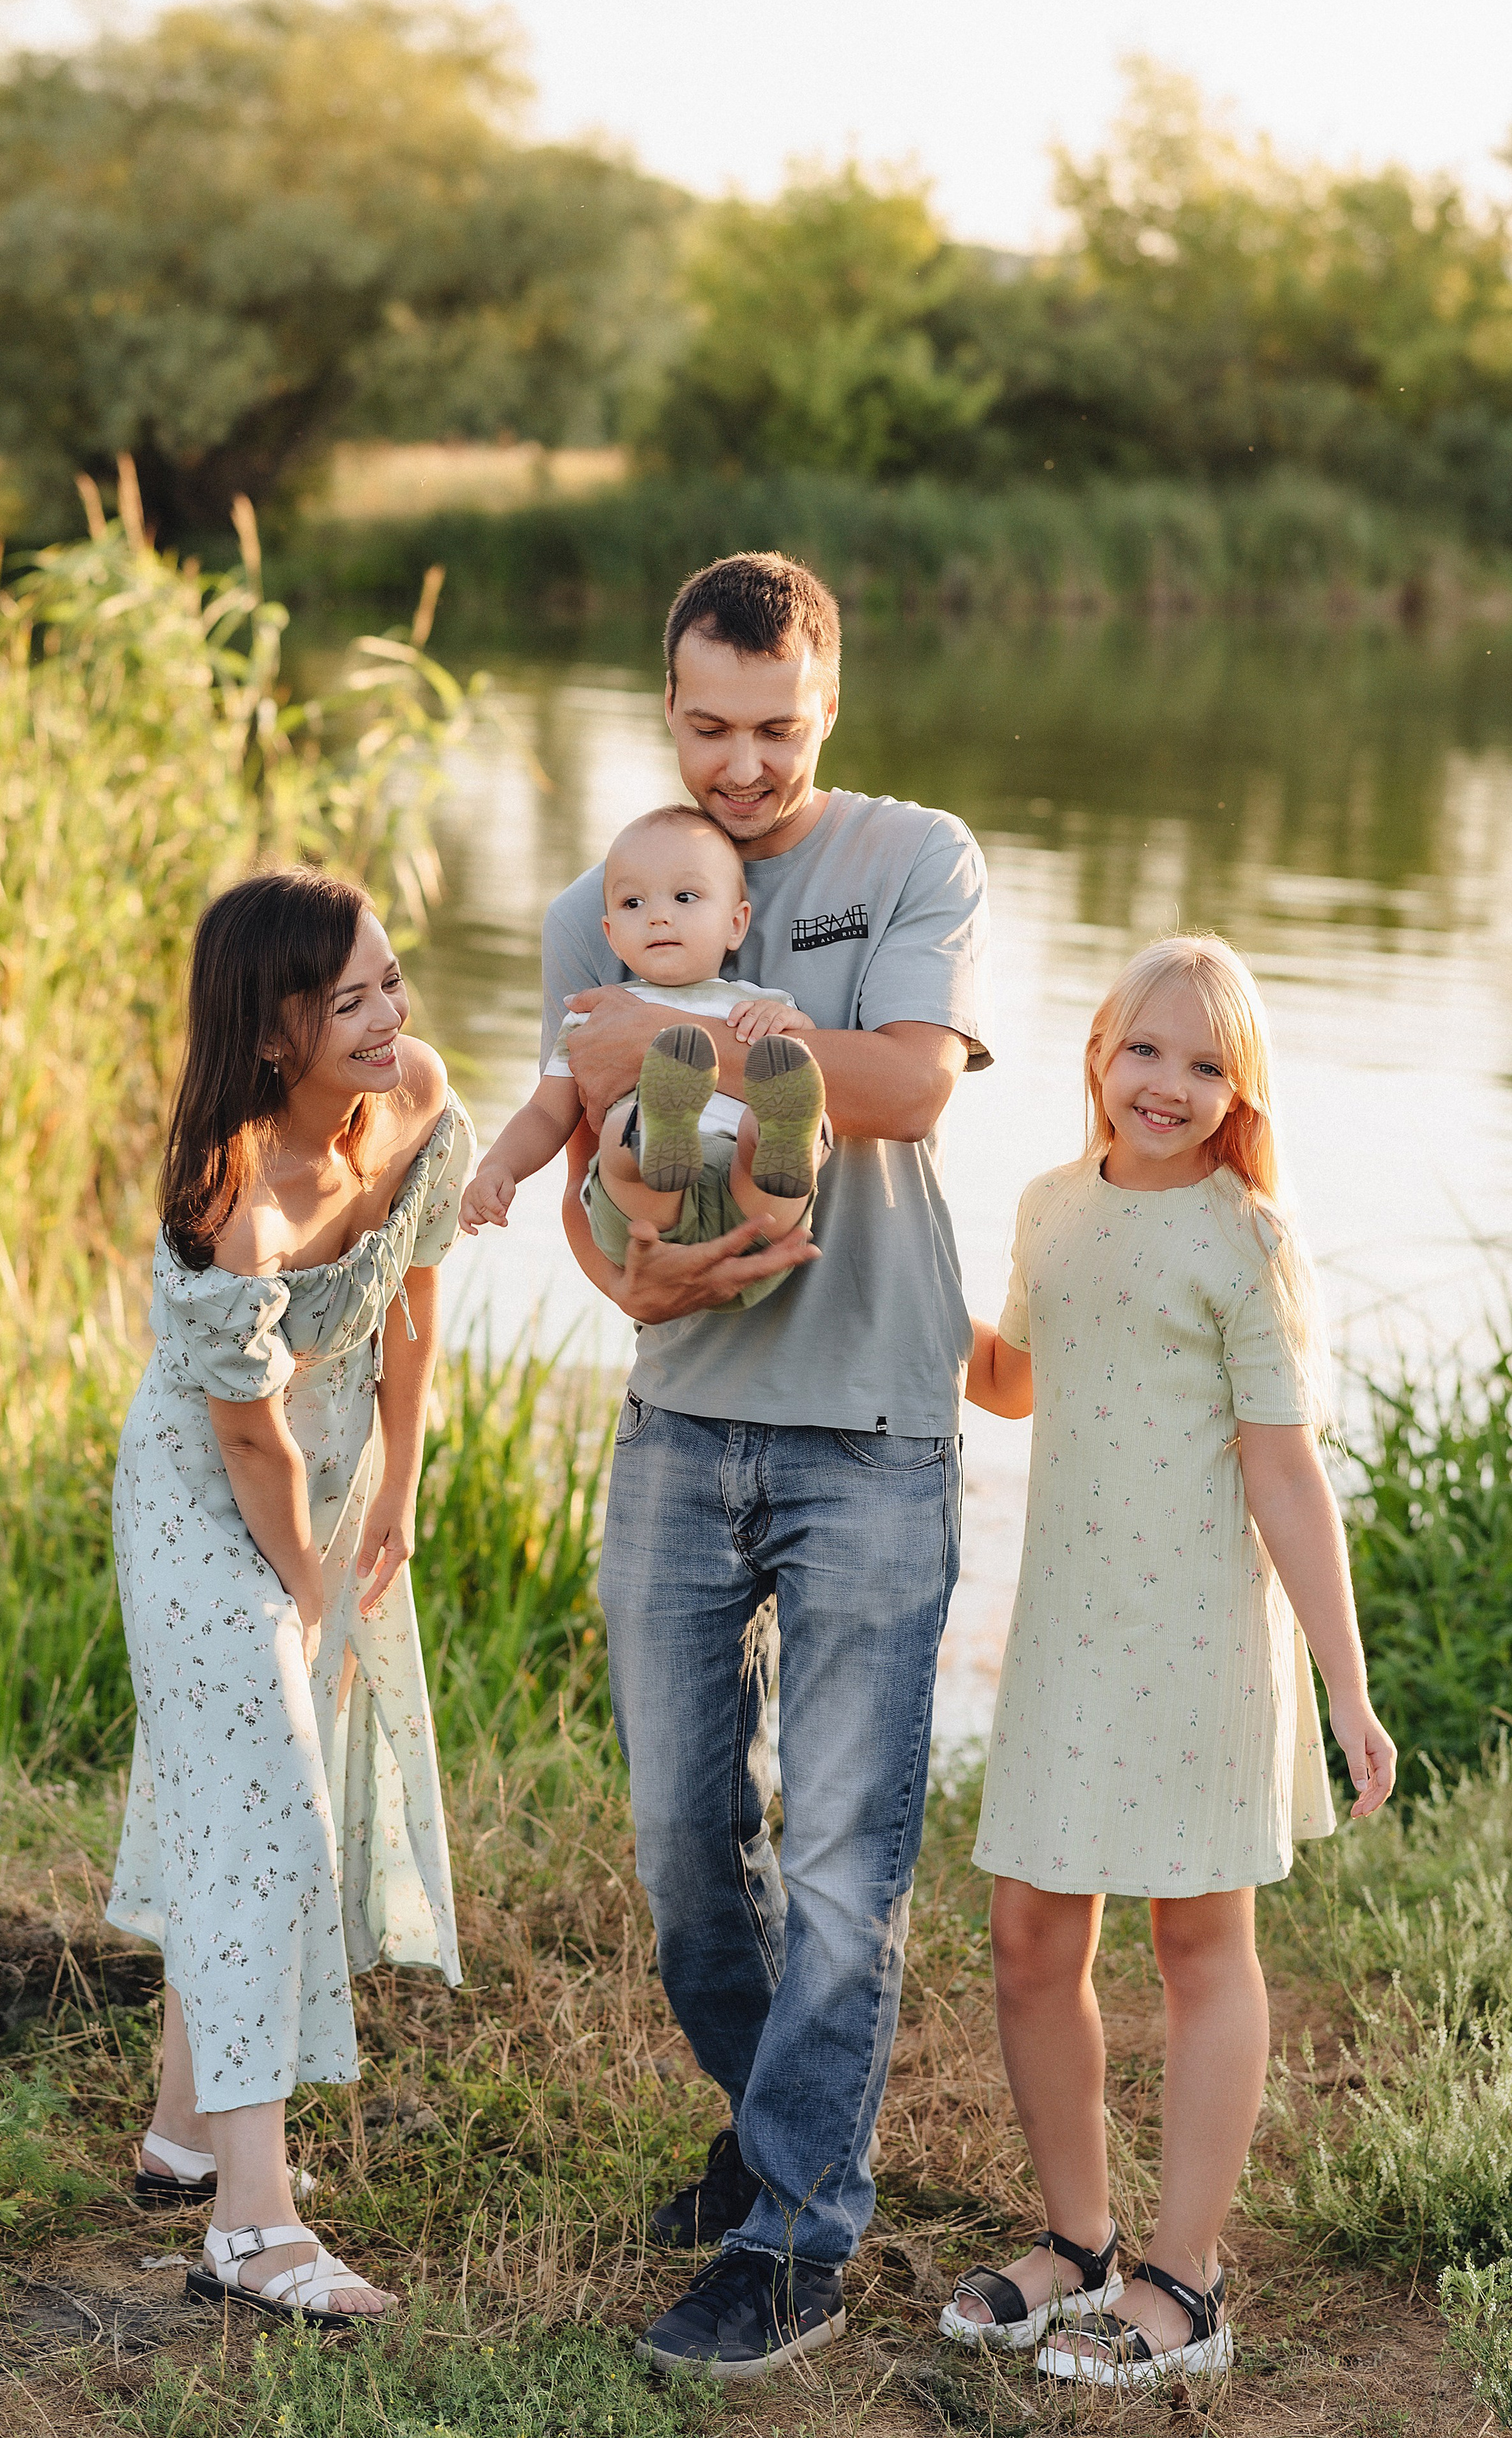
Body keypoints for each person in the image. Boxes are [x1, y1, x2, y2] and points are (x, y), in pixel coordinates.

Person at [542, 552, 992, 2379]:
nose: (740, 767)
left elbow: (904, 1087)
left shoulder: (913, 857)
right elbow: (589, 1163)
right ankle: (771, 2116)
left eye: (776, 727)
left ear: (832, 704)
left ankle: (797, 2231)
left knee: (845, 1858)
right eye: (708, 727)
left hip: (876, 1425)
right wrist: (626, 1266)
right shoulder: (609, 888)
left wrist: (693, 1028)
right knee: (679, 1844)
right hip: (680, 1414)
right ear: (670, 706)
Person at [942, 932, 1396, 2389]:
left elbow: (1282, 1471)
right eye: (1144, 1048)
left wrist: (1344, 1683)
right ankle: (1075, 2239)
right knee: (1028, 1932)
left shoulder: (1244, 1239)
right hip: (1069, 1628)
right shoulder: (1047, 1209)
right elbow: (1015, 1377)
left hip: (1202, 1636)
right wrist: (894, 1283)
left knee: (1197, 1943)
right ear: (1094, 1053)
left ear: (1237, 1090)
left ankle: (1184, 2280)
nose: (1168, 1083)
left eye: (1207, 1063)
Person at [107, 867, 474, 2329]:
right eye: (350, 1000)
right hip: (206, 1495)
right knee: (271, 1806)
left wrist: (394, 1481)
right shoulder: (227, 1183)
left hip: (327, 1476)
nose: (390, 1015)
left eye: (391, 978)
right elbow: (242, 1431)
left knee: (256, 1774)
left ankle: (183, 2120)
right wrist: (306, 1581)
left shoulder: (413, 1087)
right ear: (271, 1032)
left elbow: (413, 1280)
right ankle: (250, 2224)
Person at [460, 803, 826, 1310]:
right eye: (633, 903)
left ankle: (775, 1142)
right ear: (611, 934)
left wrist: (793, 1030)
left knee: (766, 1131)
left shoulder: (763, 1007)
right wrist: (500, 1166)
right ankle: (655, 1131)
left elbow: (812, 1059)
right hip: (646, 1229)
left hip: (752, 1215)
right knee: (620, 1136)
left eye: (685, 896)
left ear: (736, 923)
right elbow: (546, 1111)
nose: (658, 915)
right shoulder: (600, 1020)